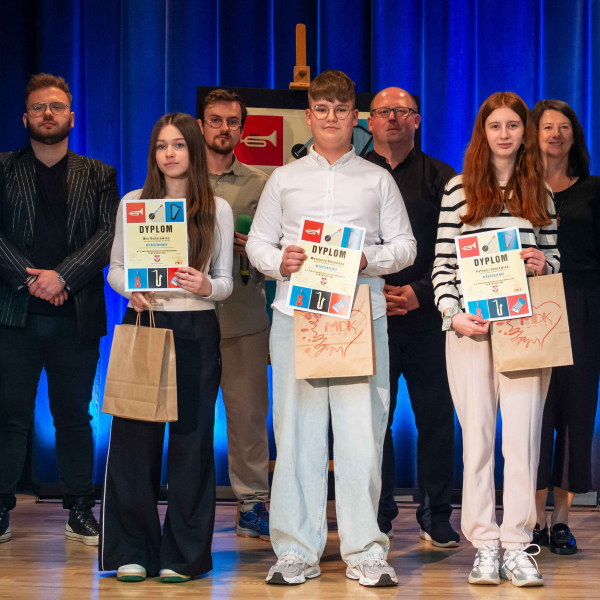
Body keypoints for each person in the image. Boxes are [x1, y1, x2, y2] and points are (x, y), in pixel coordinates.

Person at [247, 70, 416, 587]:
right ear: (309, 115)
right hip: (296, 315)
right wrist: (280, 261)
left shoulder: (377, 179)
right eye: (322, 109)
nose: (331, 118)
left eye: (341, 110)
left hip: (358, 314)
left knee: (361, 433)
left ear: (354, 117)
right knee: (295, 432)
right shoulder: (283, 179)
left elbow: (406, 247)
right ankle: (296, 551)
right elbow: (257, 246)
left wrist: (367, 258)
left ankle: (366, 551)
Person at [99, 113, 233, 582]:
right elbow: (115, 268)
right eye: (161, 146)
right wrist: (129, 289)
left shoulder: (216, 208)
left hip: (196, 328)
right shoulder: (134, 203)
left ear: (194, 150)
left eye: (178, 145)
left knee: (192, 444)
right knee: (133, 441)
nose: (169, 154)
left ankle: (184, 555)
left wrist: (206, 286)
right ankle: (133, 550)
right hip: (146, 321)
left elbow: (225, 283)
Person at [433, 92, 559, 587]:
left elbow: (556, 261)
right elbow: (442, 265)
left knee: (523, 441)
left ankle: (518, 545)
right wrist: (453, 315)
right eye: (495, 126)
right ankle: (484, 545)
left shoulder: (540, 191)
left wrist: (543, 263)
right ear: (482, 133)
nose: (504, 134)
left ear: (525, 132)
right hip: (471, 330)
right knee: (479, 440)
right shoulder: (458, 189)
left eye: (513, 125)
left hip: (525, 331)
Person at [0, 73, 119, 546]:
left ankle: (80, 509)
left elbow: (109, 235)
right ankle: (1, 507)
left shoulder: (100, 173)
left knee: (74, 417)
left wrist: (62, 276)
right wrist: (33, 279)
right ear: (24, 117)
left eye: (56, 107)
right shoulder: (3, 168)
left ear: (72, 116)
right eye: (38, 107)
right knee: (8, 415)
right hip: (13, 314)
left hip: (76, 316)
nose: (47, 114)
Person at [365, 87, 459, 547]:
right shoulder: (355, 175)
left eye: (402, 111)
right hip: (368, 316)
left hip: (428, 318)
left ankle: (436, 515)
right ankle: (377, 516)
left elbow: (454, 247)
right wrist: (374, 292)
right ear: (368, 121)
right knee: (372, 421)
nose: (393, 119)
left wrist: (420, 293)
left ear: (417, 120)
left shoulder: (444, 178)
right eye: (383, 112)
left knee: (436, 419)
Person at [198, 90, 271, 539]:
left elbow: (279, 251)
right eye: (215, 120)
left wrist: (256, 249)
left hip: (244, 317)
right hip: (189, 317)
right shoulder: (179, 181)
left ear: (242, 129)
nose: (223, 128)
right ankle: (191, 505)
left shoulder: (262, 185)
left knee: (248, 418)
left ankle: (252, 504)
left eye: (232, 121)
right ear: (201, 126)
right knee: (190, 419)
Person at [530, 99, 600, 556]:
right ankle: (533, 519)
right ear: (533, 135)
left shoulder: (594, 189)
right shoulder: (517, 189)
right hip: (531, 306)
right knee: (534, 412)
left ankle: (561, 521)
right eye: (547, 127)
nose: (556, 134)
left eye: (564, 127)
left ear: (575, 135)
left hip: (582, 305)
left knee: (576, 412)